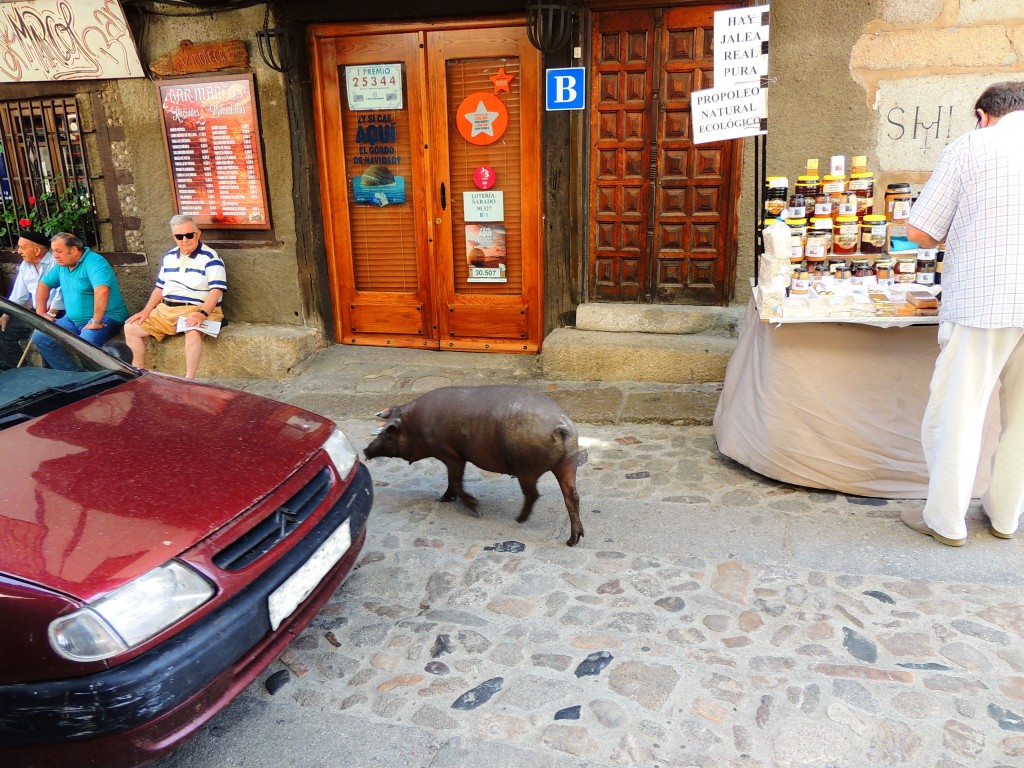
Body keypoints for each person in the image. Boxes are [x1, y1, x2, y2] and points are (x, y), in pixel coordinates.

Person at [902, 80, 1024, 546]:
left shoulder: (972, 146)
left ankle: (947, 521)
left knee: (959, 413)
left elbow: (920, 232)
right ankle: (1004, 517)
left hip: (985, 296)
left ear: (983, 114)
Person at [124, 215, 227, 379]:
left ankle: (189, 379)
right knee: (130, 327)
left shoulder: (211, 258)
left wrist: (201, 314)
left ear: (198, 234)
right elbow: (160, 288)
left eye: (189, 235)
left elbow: (216, 291)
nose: (184, 240)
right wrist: (146, 311)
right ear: (174, 237)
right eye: (179, 236)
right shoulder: (169, 257)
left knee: (192, 331)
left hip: (197, 308)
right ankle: (139, 374)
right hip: (166, 309)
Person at [33, 233, 129, 369]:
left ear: (74, 250)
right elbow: (44, 284)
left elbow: (102, 290)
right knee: (41, 337)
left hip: (107, 317)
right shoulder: (62, 266)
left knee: (85, 344)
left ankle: (99, 382)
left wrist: (96, 321)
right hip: (72, 320)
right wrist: (41, 312)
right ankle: (73, 377)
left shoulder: (94, 262)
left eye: (59, 251)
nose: (55, 255)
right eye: (53, 251)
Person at [0, 229, 63, 331]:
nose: (19, 251)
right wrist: (7, 314)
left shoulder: (57, 262)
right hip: (37, 312)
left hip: (58, 311)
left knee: (42, 338)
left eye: (22, 248)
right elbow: (19, 295)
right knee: (8, 328)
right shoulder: (25, 265)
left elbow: (63, 290)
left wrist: (52, 311)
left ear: (37, 250)